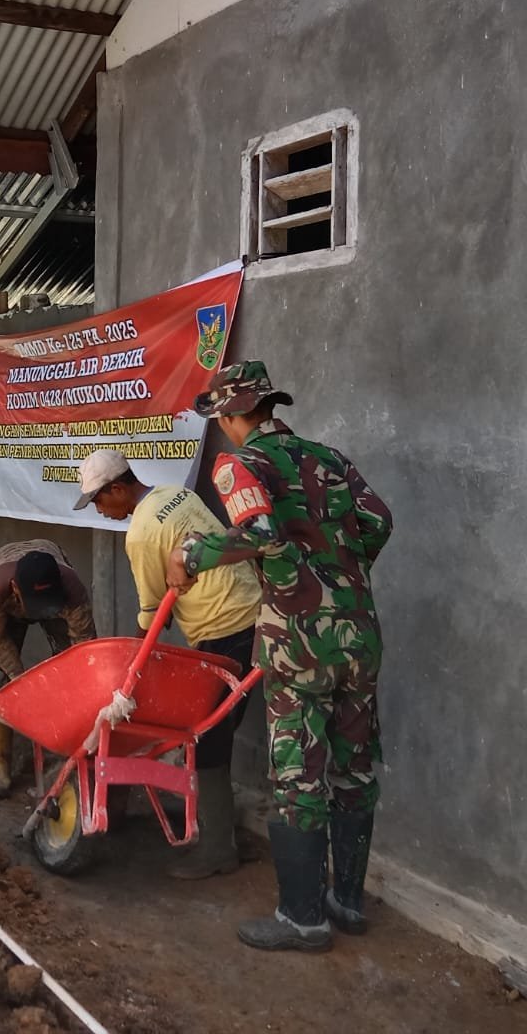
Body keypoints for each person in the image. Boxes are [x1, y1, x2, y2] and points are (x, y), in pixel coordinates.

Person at [169, 361, 392, 952]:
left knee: (299, 776)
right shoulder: (331, 459)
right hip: (359, 635)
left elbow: (260, 532)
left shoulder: (238, 464)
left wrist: (192, 555)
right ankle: (346, 900)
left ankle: (302, 918)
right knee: (354, 769)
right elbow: (377, 521)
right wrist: (338, 572)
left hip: (300, 643)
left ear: (231, 414)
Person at [74, 447, 264, 879]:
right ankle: (222, 835)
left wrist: (130, 672)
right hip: (252, 614)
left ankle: (217, 850)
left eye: (99, 501)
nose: (100, 511)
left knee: (209, 741)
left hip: (223, 627)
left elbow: (150, 611)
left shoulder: (140, 534)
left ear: (119, 489)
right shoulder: (177, 495)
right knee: (219, 732)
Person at [0, 542, 97, 798]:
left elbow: (84, 648)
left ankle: (67, 753)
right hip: (8, 606)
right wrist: (20, 682)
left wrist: (70, 683)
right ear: (15, 589)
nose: (41, 611)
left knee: (75, 675)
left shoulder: (72, 591)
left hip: (58, 598)